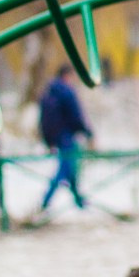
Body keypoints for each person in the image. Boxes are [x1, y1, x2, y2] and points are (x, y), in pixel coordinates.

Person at [39, 64, 94, 210]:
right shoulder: (67, 92)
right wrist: (88, 132)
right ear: (67, 75)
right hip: (67, 136)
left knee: (70, 169)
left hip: (55, 137)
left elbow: (43, 120)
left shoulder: (49, 92)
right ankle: (45, 202)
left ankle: (79, 201)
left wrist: (48, 141)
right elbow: (76, 115)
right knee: (65, 169)